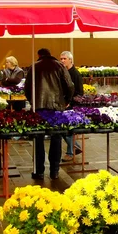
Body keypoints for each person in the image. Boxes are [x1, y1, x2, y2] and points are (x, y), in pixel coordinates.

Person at [25, 48, 74, 180]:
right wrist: (67, 100)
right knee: (56, 138)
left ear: (39, 55)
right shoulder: (59, 65)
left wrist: (32, 101)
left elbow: (27, 88)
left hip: (39, 108)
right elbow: (69, 85)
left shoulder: (34, 67)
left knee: (38, 138)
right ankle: (54, 171)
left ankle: (39, 171)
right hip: (56, 106)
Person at [59, 51, 83, 162]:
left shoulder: (75, 74)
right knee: (62, 127)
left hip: (72, 105)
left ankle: (71, 151)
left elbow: (79, 93)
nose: (62, 60)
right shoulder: (61, 72)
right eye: (61, 59)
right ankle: (75, 147)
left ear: (70, 60)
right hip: (62, 104)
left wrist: (71, 103)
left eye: (64, 59)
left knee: (66, 128)